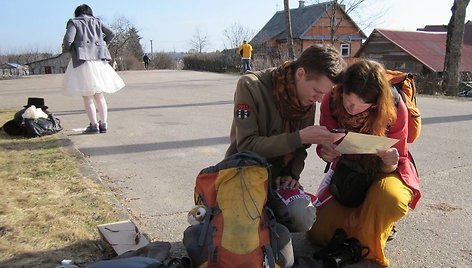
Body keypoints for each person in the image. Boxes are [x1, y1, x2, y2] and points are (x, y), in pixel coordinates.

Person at [307, 59, 421, 267]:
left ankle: (376, 225)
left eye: (361, 107)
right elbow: (325, 142)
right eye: (348, 101)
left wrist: (389, 164)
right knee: (317, 234)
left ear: (377, 103)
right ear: (341, 88)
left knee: (391, 199)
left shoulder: (396, 108)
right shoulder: (331, 101)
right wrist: (326, 152)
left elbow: (399, 157)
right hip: (349, 169)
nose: (351, 110)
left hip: (385, 173)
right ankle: (368, 227)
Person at [226, 45, 346, 233]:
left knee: (303, 217)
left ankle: (270, 223)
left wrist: (291, 175)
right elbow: (246, 147)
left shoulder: (307, 97)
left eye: (324, 94)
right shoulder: (251, 86)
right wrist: (298, 137)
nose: (319, 99)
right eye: (317, 91)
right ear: (300, 73)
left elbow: (300, 150)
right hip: (244, 175)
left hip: (278, 179)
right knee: (239, 231)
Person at [62, 4, 125, 134]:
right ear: (90, 12)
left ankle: (94, 125)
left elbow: (68, 40)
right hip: (99, 60)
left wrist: (68, 49)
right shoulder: (97, 21)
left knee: (87, 96)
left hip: (82, 60)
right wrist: (103, 44)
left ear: (77, 13)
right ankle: (104, 124)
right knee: (99, 95)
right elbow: (112, 33)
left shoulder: (74, 22)